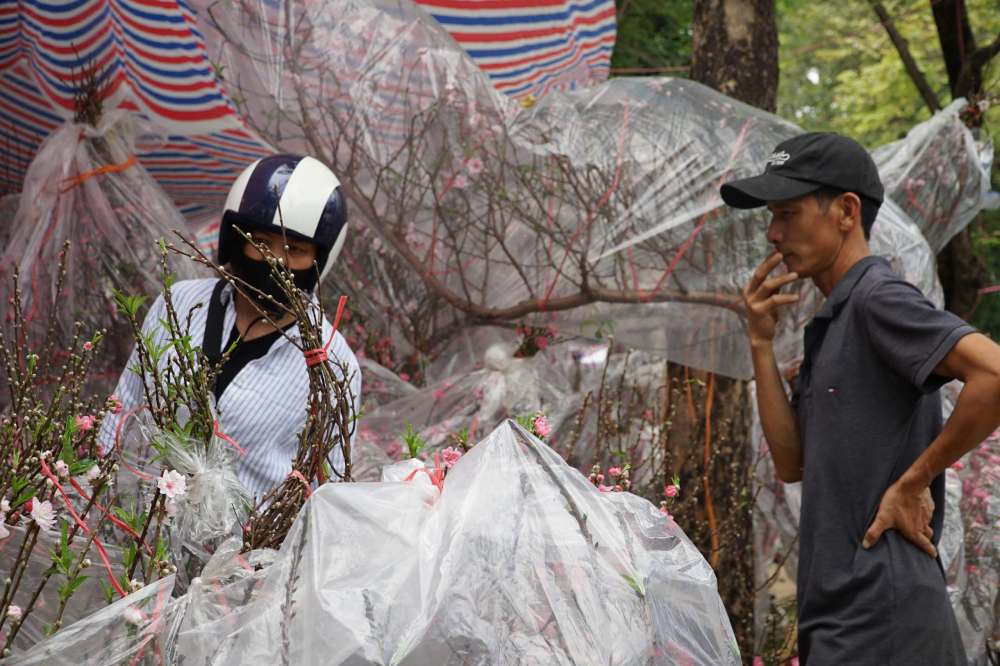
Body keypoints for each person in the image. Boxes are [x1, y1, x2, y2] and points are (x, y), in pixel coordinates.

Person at [720, 132, 1000, 665]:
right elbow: (791, 461)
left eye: (788, 213)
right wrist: (759, 342)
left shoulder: (877, 298)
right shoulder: (835, 319)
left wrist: (914, 481)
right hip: (845, 614)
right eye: (771, 217)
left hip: (882, 614)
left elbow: (994, 373)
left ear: (846, 212)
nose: (774, 234)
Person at [100, 154, 362, 501]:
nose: (275, 262)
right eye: (263, 243)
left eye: (295, 249)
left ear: (319, 259)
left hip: (240, 549)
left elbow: (322, 493)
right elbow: (125, 405)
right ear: (237, 239)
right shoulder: (178, 304)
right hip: (139, 526)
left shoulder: (333, 366)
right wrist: (96, 493)